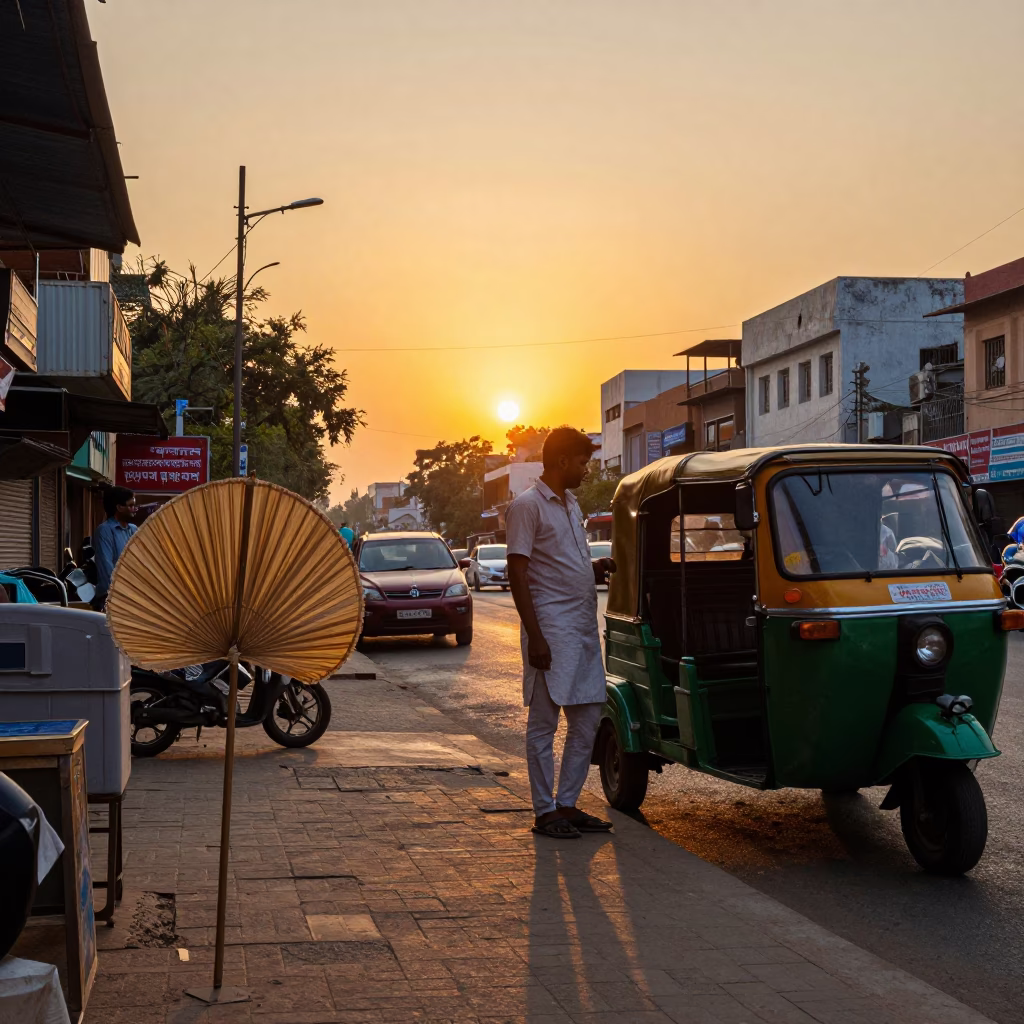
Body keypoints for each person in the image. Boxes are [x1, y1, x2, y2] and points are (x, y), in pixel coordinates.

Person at [506, 427, 616, 839]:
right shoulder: (527, 506)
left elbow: (558, 564)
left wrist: (594, 569)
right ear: (563, 461)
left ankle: (567, 804)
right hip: (549, 632)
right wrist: (535, 636)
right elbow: (519, 571)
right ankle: (544, 810)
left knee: (587, 719)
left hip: (583, 631)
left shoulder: (570, 504)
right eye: (584, 463)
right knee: (543, 725)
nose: (587, 471)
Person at [92, 486, 137, 610]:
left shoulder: (134, 530)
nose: (134, 509)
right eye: (131, 505)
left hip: (133, 596)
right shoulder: (105, 530)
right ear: (119, 508)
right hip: (113, 598)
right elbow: (106, 568)